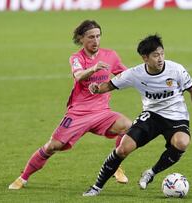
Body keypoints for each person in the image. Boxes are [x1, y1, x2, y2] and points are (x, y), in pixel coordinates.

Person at [8, 20, 132, 190]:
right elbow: (79, 75)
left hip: (102, 112)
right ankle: (23, 177)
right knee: (52, 146)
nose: (95, 41)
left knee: (128, 127)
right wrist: (94, 69)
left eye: (98, 36)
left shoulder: (111, 55)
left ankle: (115, 166)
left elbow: (126, 75)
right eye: (90, 37)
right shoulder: (76, 58)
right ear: (81, 39)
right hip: (78, 114)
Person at [82, 34, 192, 196]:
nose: (160, 58)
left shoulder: (176, 69)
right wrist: (96, 88)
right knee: (123, 149)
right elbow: (110, 85)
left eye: (162, 53)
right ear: (145, 58)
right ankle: (96, 187)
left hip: (176, 116)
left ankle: (151, 173)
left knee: (182, 142)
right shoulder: (135, 74)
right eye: (155, 55)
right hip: (152, 116)